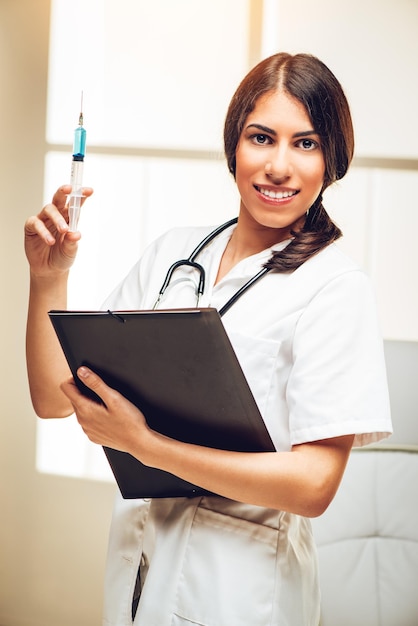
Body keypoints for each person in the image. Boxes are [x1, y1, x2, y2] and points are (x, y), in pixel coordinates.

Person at [25, 52, 392, 625]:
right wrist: (49, 278)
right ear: (233, 145)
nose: (278, 166)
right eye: (261, 137)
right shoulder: (175, 253)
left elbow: (315, 484)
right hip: (139, 570)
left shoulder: (335, 287)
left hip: (243, 592)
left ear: (333, 160)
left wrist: (147, 446)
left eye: (306, 143)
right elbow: (53, 398)